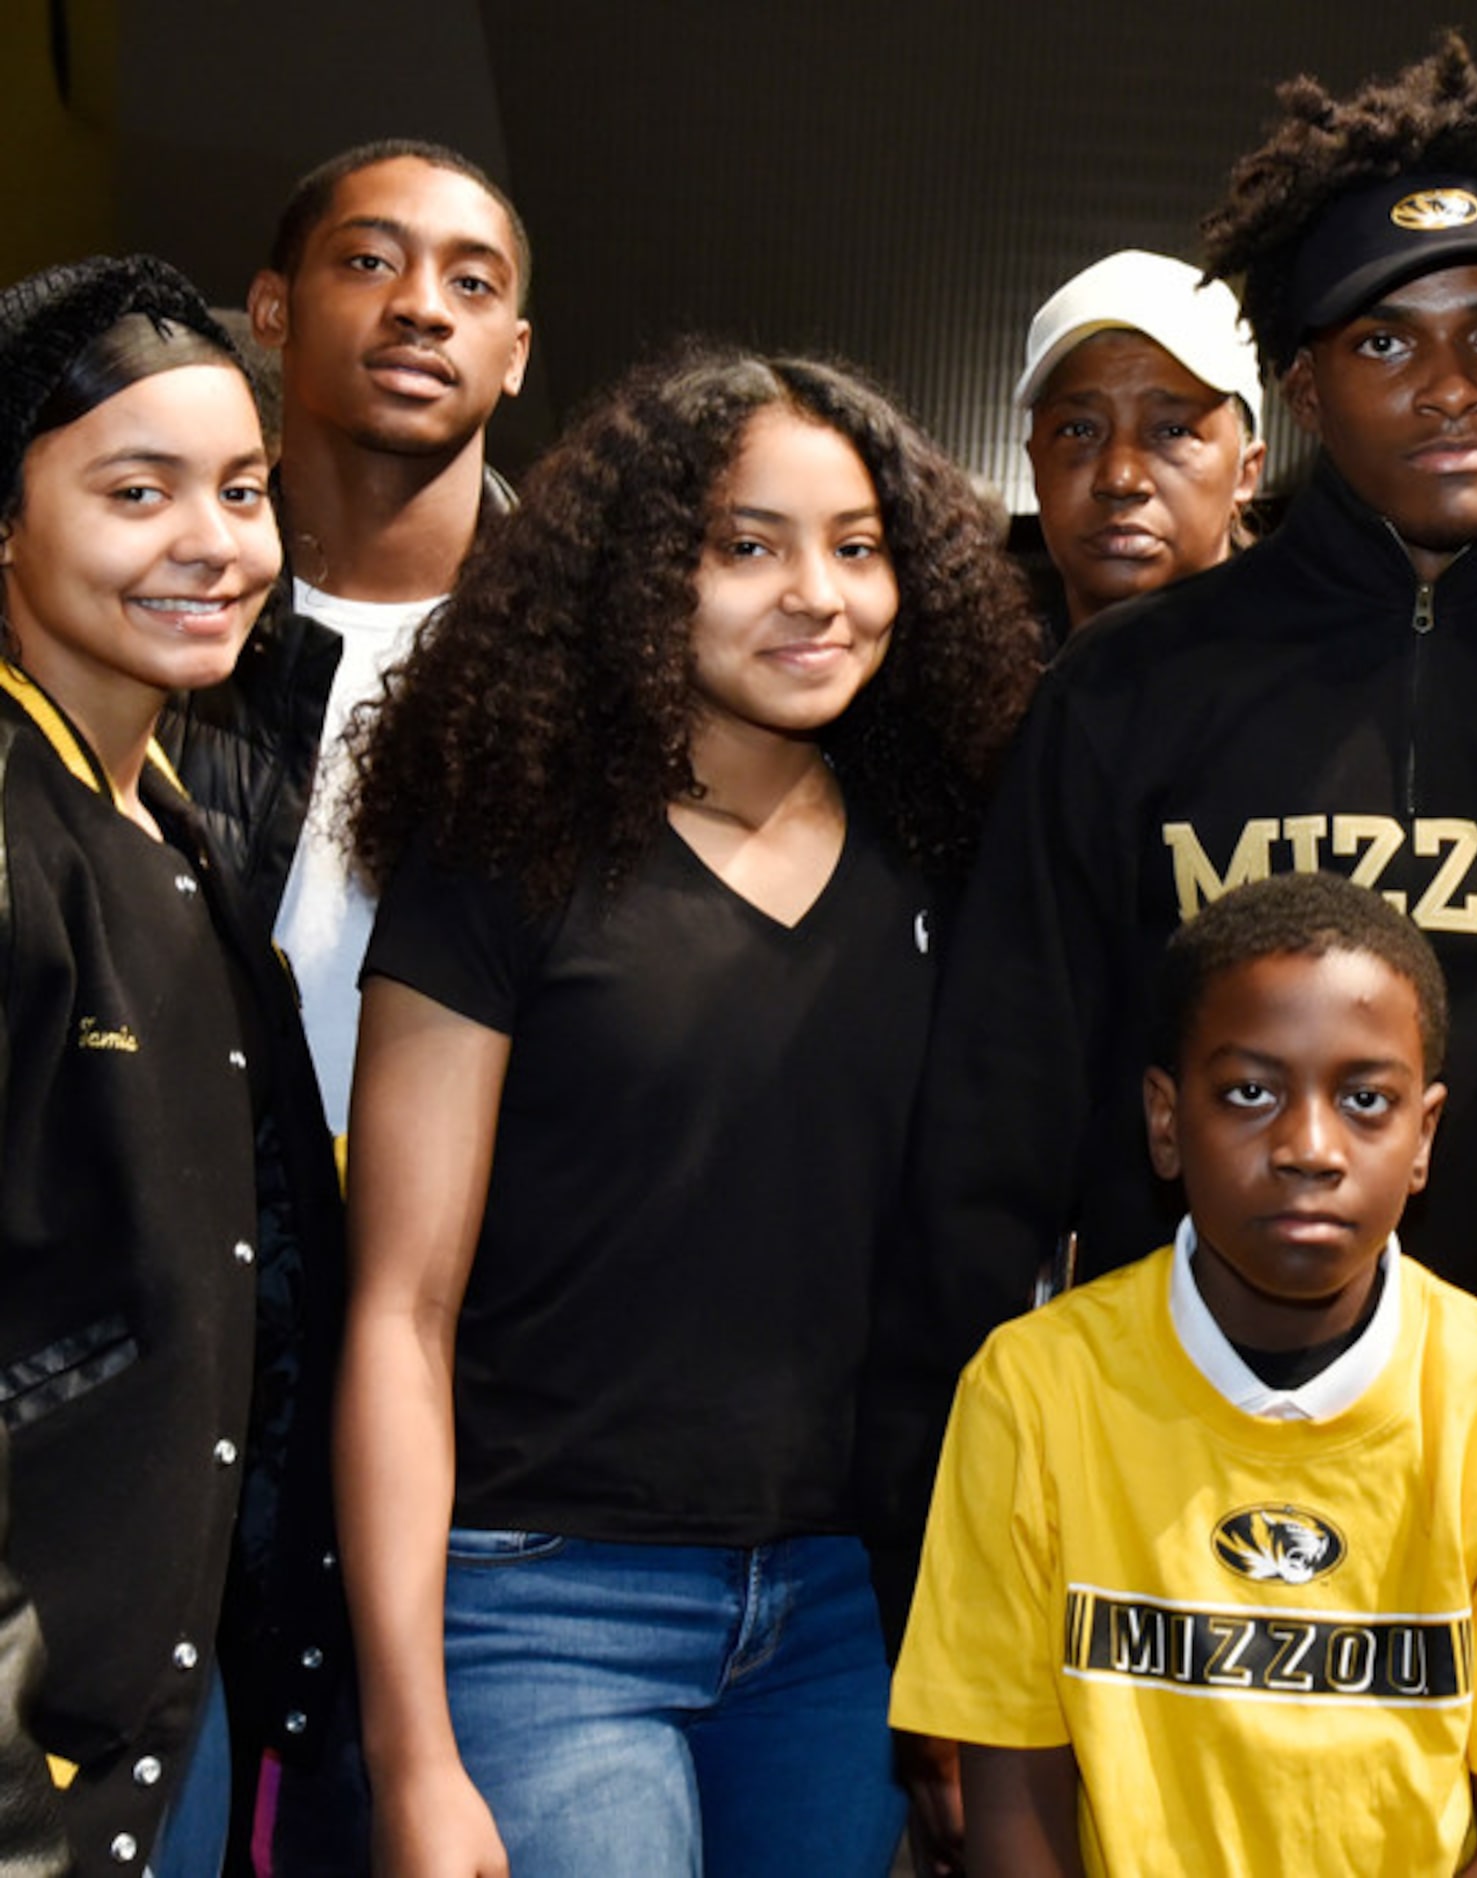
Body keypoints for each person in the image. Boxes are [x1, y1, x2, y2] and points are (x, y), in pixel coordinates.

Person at [880, 37, 1477, 1590]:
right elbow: (989, 1144)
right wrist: (934, 1569)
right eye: (1384, 343)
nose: (1452, 386)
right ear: (1298, 389)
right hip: (1171, 1482)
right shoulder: (1130, 693)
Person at [334, 346, 1040, 1876]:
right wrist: (411, 1750)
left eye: (858, 548)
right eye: (747, 546)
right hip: (542, 1601)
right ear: (639, 572)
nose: (819, 594)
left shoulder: (943, 859)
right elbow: (400, 1307)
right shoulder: (507, 851)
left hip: (845, 1612)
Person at [893, 871, 1477, 1877]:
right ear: (1165, 1120)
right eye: (1250, 1092)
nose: (1308, 1148)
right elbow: (1013, 1819)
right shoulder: (1031, 1391)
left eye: (1364, 1100)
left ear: (1423, 1138)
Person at [0, 254, 346, 1876]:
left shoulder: (170, 821)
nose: (213, 543)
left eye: (245, 491)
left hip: (152, 1689)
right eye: (138, 492)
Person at [163, 138, 533, 1139]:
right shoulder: (154, 623)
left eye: (471, 281)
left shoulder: (585, 653)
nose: (422, 305)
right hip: (203, 1251)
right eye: (370, 261)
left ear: (516, 353)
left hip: (493, 1270)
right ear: (272, 310)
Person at [1014, 249, 1264, 636]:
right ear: (1035, 465)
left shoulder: (1326, 687)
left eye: (1172, 431)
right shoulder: (977, 687)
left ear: (1247, 473)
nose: (1120, 479)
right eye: (1080, 430)